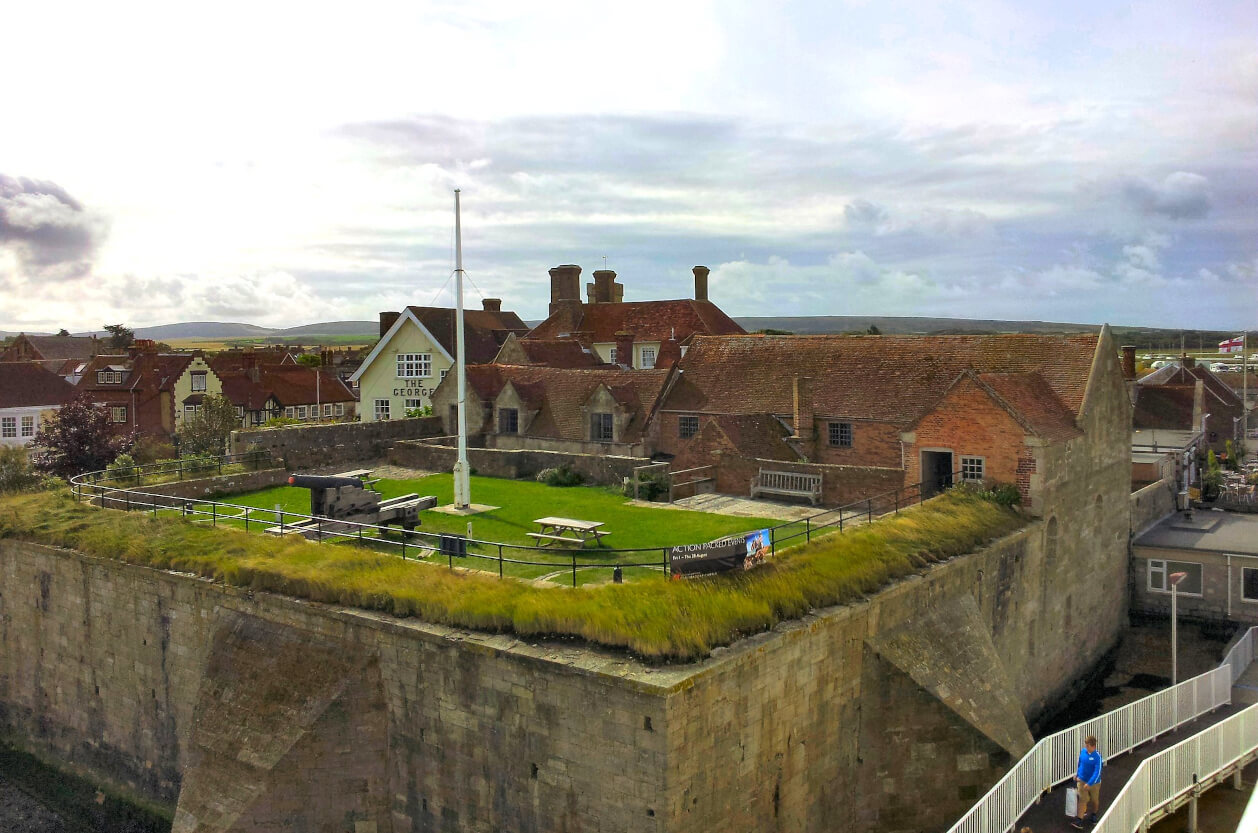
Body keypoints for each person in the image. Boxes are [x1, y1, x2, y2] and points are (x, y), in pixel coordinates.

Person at [1072, 735, 1104, 828]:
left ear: (1093, 746)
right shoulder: (1083, 752)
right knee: (1083, 799)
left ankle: (1094, 814)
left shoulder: (1097, 757)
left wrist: (1090, 783)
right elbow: (1080, 764)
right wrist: (1077, 775)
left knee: (1094, 800)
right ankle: (1079, 820)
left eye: (1088, 746)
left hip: (1094, 783)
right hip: (1082, 780)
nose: (1086, 748)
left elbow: (1097, 772)